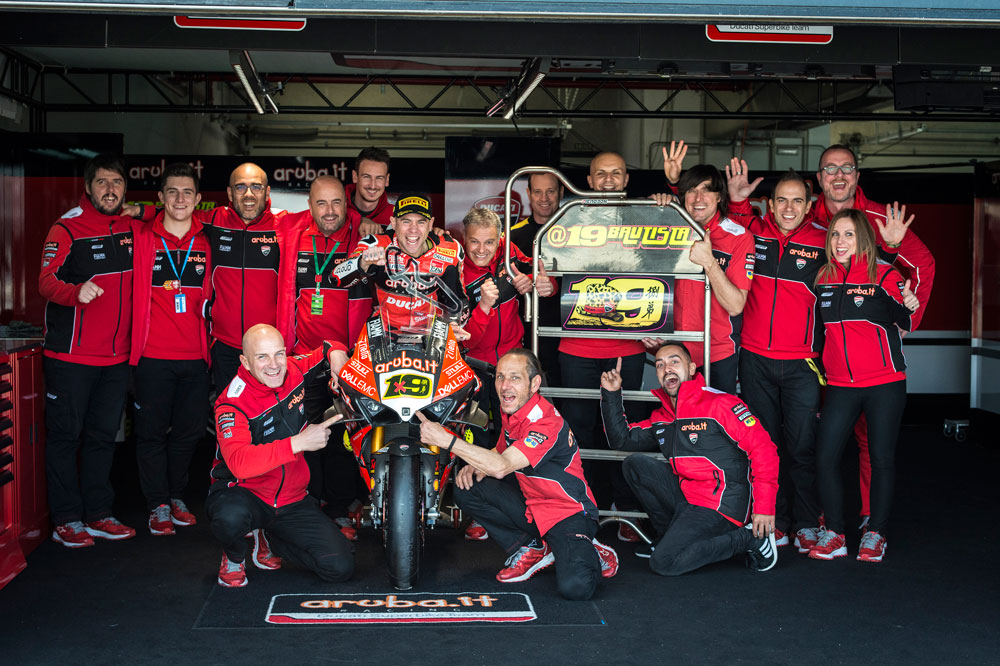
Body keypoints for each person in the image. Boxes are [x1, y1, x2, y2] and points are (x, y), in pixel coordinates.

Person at [418, 349, 619, 600]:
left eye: (515, 378)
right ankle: (532, 548)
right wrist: (477, 464)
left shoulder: (545, 422)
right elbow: (500, 449)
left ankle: (589, 550)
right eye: (500, 377)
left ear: (535, 383)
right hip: (532, 506)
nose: (504, 386)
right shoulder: (513, 410)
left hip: (567, 513)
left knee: (576, 587)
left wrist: (448, 441)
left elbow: (502, 466)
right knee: (467, 485)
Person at [812, 144, 934, 529]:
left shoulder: (883, 217)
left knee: (872, 446)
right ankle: (824, 519)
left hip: (876, 368)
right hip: (822, 362)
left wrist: (906, 317)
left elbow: (922, 265)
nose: (838, 175)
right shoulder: (803, 217)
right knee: (811, 443)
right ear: (819, 178)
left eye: (846, 168)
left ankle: (870, 519)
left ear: (857, 176)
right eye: (830, 169)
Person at [599, 343, 780, 574]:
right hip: (689, 499)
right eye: (660, 364)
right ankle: (667, 538)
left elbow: (764, 450)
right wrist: (611, 394)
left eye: (675, 361)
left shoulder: (721, 403)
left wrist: (764, 508)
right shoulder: (662, 416)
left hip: (723, 504)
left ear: (692, 368)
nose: (667, 369)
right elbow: (622, 441)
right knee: (635, 465)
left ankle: (750, 540)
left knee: (663, 563)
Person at [724, 164, 827, 551]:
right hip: (754, 359)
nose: (788, 207)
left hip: (803, 362)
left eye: (797, 200)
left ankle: (805, 521)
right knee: (764, 444)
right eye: (781, 199)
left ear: (809, 205)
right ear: (768, 203)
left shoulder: (824, 239)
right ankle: (775, 519)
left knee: (801, 446)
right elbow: (727, 227)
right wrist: (736, 199)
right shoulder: (753, 232)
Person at [809, 209, 919, 563]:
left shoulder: (884, 274)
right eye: (836, 235)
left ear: (863, 240)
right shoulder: (823, 277)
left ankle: (877, 533)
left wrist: (908, 301)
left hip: (885, 382)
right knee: (825, 458)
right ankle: (836, 533)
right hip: (841, 384)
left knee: (881, 458)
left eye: (850, 235)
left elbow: (907, 320)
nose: (841, 242)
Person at [38, 153, 137, 547]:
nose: (110, 190)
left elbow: (161, 208)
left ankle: (98, 513)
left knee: (101, 437)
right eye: (102, 183)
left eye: (116, 183)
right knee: (65, 437)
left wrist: (139, 208)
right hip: (70, 359)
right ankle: (66, 519)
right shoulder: (66, 228)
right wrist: (75, 292)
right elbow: (45, 281)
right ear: (88, 186)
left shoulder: (130, 225)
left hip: (115, 360)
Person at [208, 324, 355, 587]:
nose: (274, 365)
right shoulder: (232, 403)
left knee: (339, 567)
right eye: (262, 357)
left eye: (278, 354)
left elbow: (327, 346)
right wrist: (299, 442)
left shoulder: (293, 369)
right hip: (247, 496)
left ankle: (270, 540)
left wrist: (336, 356)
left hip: (292, 499)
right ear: (245, 361)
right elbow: (240, 463)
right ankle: (234, 555)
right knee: (228, 517)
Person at [556, 152, 650, 541]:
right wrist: (545, 283)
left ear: (626, 177)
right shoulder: (569, 215)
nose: (609, 180)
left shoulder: (646, 216)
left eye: (616, 173)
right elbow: (550, 269)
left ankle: (624, 508)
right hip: (575, 346)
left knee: (624, 431)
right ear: (590, 180)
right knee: (580, 433)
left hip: (627, 346)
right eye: (601, 174)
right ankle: (585, 506)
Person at [275, 176, 372, 529]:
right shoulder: (294, 235)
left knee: (347, 437)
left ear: (347, 205)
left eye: (336, 203)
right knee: (309, 434)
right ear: (310, 205)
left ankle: (343, 508)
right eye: (321, 203)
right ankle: (312, 505)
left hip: (352, 361)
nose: (329, 211)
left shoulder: (364, 239)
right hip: (305, 358)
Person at [460, 207, 556, 540]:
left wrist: (543, 285)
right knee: (480, 436)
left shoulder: (510, 255)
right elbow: (467, 338)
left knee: (519, 438)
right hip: (477, 365)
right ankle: (479, 511)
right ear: (465, 238)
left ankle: (525, 503)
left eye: (489, 241)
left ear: (500, 239)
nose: (481, 249)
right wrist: (484, 307)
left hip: (514, 363)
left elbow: (544, 279)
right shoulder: (454, 270)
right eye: (474, 241)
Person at [130, 162, 211, 536]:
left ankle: (176, 496)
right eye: (172, 192)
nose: (180, 199)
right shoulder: (141, 234)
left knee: (188, 434)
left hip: (196, 358)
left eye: (187, 192)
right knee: (150, 434)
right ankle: (156, 503)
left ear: (197, 199)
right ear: (160, 198)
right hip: (151, 358)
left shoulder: (209, 237)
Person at [651, 143, 754, 394]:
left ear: (720, 197)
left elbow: (735, 305)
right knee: (675, 424)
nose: (698, 198)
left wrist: (709, 262)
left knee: (717, 428)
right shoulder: (667, 226)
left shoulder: (739, 236)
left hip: (716, 353)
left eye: (706, 191)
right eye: (692, 191)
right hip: (672, 351)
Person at [332, 193, 469, 332]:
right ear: (393, 222)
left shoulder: (449, 249)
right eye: (406, 221)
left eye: (421, 222)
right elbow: (336, 278)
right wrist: (362, 263)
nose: (413, 229)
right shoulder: (375, 244)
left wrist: (454, 324)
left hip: (430, 334)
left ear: (430, 224)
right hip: (383, 332)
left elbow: (460, 302)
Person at [510, 171, 564, 386]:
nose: (544, 198)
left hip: (568, 333)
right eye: (538, 192)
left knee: (566, 398)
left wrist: (553, 285)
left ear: (561, 193)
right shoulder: (512, 235)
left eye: (550, 191)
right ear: (528, 194)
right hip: (528, 330)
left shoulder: (579, 230)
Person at [347, 146, 393, 236]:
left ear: (387, 180)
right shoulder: (336, 211)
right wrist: (358, 220)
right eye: (367, 177)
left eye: (379, 178)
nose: (372, 185)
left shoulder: (396, 217)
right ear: (355, 176)